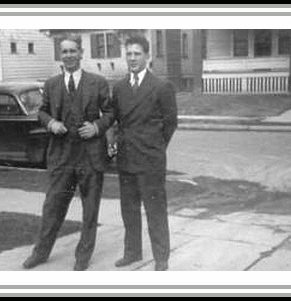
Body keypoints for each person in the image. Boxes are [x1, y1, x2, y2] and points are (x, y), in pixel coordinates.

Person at [22, 35, 114, 271]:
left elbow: (111, 113)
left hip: (90, 156)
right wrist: (51, 122)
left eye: (73, 51)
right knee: (52, 206)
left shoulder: (98, 82)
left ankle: (83, 257)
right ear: (59, 55)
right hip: (61, 157)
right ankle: (40, 253)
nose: (69, 55)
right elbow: (41, 112)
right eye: (64, 52)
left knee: (90, 210)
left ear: (81, 53)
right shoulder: (51, 84)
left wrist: (96, 127)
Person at [111, 35, 178, 271]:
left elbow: (170, 122)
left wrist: (155, 147)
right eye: (128, 54)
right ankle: (132, 252)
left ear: (147, 57)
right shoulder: (119, 87)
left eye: (137, 54)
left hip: (150, 161)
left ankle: (161, 257)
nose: (132, 58)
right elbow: (117, 120)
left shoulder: (161, 86)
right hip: (127, 160)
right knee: (129, 211)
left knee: (155, 211)